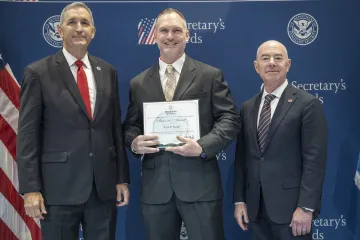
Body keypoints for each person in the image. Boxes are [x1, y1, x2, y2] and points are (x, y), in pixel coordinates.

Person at [123, 8, 241, 240]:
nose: (170, 36)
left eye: (177, 30)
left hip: (200, 185)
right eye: (164, 30)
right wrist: (135, 143)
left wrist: (203, 146)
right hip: (156, 190)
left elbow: (230, 119)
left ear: (187, 35)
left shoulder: (210, 75)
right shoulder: (138, 83)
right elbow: (130, 126)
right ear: (154, 35)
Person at [16, 2, 130, 239]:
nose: (79, 28)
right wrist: (31, 188)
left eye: (85, 23)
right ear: (59, 30)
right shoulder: (38, 72)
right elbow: (27, 135)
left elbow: (114, 130)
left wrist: (121, 178)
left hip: (103, 188)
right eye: (72, 22)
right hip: (57, 190)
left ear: (93, 32)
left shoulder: (107, 71)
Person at [233, 40, 327, 240]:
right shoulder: (248, 107)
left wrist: (306, 207)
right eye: (265, 58)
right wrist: (239, 200)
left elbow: (315, 162)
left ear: (288, 64)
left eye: (278, 58)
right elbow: (242, 158)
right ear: (256, 66)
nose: (272, 63)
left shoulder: (307, 104)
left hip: (292, 212)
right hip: (256, 210)